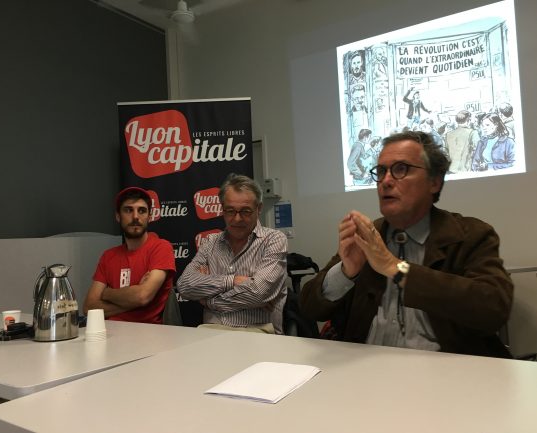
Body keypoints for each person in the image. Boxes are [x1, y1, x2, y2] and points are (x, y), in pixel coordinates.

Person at [299, 131, 513, 357]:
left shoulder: (470, 235)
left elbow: (494, 309)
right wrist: (345, 272)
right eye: (381, 171)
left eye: (401, 169)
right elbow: (310, 308)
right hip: (366, 369)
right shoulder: (368, 235)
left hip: (445, 373)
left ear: (434, 182)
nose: (386, 181)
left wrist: (396, 269)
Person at [177, 174, 288, 334]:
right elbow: (185, 285)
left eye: (245, 211)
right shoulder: (210, 242)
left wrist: (208, 300)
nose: (237, 219)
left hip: (257, 331)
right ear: (222, 209)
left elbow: (258, 293)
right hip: (211, 331)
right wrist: (232, 281)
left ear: (259, 208)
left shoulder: (274, 240)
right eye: (230, 211)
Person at [83, 187, 176, 323]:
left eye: (142, 211)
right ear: (118, 216)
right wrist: (133, 298)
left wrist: (107, 293)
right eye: (128, 210)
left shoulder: (161, 248)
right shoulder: (108, 256)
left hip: (149, 336)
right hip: (110, 333)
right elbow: (89, 308)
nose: (135, 217)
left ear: (149, 217)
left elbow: (142, 296)